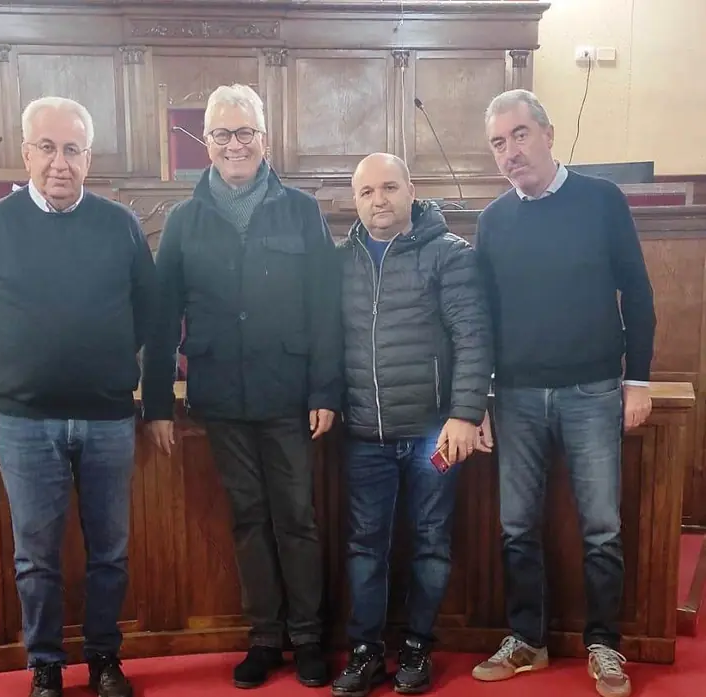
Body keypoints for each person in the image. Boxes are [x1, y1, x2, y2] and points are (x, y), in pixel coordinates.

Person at [141, 83, 342, 689]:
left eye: (245, 132)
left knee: (297, 518)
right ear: (207, 142)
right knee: (249, 519)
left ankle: (308, 637)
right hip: (222, 398)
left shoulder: (300, 210)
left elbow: (325, 308)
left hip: (288, 394)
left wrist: (325, 390)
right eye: (223, 134)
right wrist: (157, 404)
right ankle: (265, 638)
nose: (235, 144)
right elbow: (161, 318)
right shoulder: (183, 220)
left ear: (264, 139)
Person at [0, 96, 157, 697]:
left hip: (107, 418)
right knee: (35, 556)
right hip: (25, 421)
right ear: (26, 153)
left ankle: (104, 659)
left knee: (110, 552)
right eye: (47, 148)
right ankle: (45, 663)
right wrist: (12, 367)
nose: (59, 162)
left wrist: (111, 363)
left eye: (72, 149)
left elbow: (146, 310)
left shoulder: (120, 224)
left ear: (88, 158)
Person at [471, 89, 656, 697]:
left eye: (520, 135)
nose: (510, 151)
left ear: (548, 135)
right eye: (499, 143)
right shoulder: (493, 221)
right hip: (516, 397)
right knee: (516, 526)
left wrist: (637, 379)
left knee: (601, 527)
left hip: (593, 391)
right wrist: (480, 401)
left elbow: (638, 292)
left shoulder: (601, 200)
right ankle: (528, 639)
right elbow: (483, 318)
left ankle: (604, 645)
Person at [331, 153, 493, 696]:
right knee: (365, 547)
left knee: (430, 543)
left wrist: (465, 412)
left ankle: (418, 646)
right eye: (366, 192)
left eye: (389, 188)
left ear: (411, 190)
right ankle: (365, 651)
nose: (378, 200)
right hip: (364, 434)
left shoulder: (449, 254)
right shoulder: (341, 260)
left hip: (433, 434)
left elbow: (473, 338)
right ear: (355, 201)